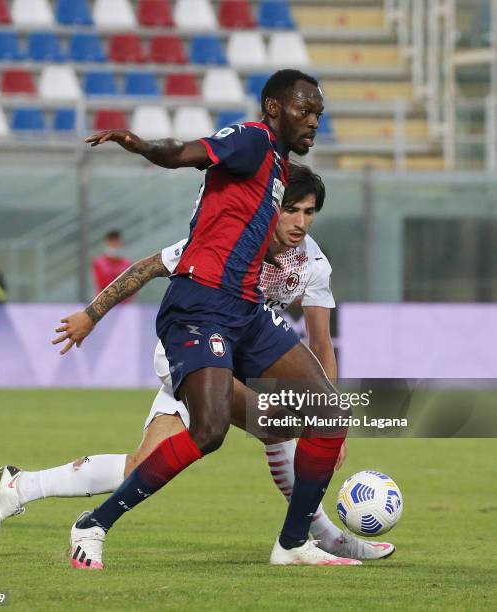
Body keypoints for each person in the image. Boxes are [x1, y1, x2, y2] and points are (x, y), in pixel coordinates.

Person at [0, 164, 395, 562]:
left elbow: (321, 344)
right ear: (272, 206)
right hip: (190, 348)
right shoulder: (231, 241)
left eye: (309, 212)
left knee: (142, 465)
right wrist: (91, 314)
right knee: (275, 425)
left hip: (241, 355)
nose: (300, 222)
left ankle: (21, 486)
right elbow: (147, 266)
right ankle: (316, 537)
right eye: (291, 209)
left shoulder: (313, 264)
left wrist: (330, 419)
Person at [51, 69, 352, 569]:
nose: (314, 121)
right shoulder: (253, 141)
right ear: (274, 109)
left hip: (244, 308)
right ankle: (93, 524)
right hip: (199, 305)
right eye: (305, 110)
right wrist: (142, 146)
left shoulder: (278, 166)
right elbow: (184, 153)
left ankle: (294, 542)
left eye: (319, 112)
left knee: (328, 414)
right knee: (209, 430)